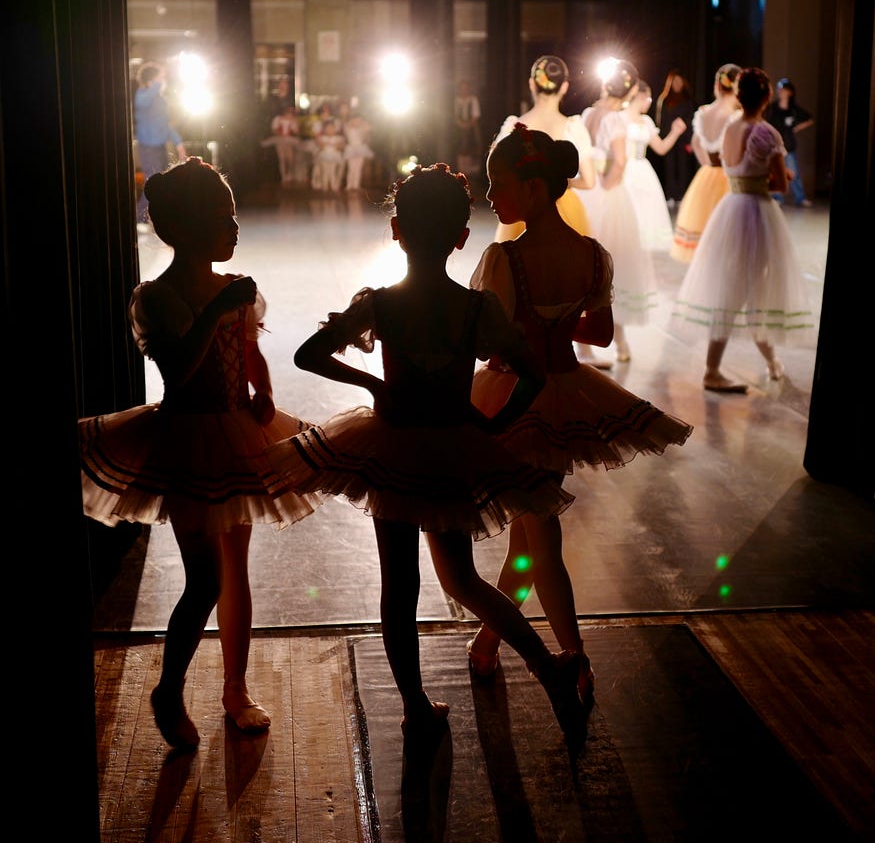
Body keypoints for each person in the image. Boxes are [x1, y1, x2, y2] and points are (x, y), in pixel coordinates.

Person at [268, 164, 585, 736]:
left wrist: (372, 385)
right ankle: (547, 669)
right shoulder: (474, 309)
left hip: (390, 452)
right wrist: (494, 425)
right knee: (463, 579)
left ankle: (415, 704)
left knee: (401, 586)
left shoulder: (382, 305)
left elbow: (307, 354)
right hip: (449, 449)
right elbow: (533, 375)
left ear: (396, 230)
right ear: (462, 238)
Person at [79, 158, 321, 748]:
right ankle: (169, 687)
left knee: (235, 571)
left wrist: (263, 392)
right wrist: (215, 312)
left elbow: (247, 348)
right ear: (184, 228)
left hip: (236, 435)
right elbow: (180, 371)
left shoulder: (234, 291)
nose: (234, 227)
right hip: (186, 440)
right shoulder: (157, 298)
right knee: (205, 578)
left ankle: (235, 687)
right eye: (222, 216)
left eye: (234, 214)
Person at [466, 124, 693, 700]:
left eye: (500, 185)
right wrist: (559, 322)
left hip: (516, 399)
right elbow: (601, 331)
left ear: (535, 189)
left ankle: (574, 658)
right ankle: (489, 643)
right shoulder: (592, 257)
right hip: (567, 395)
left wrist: (525, 328)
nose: (491, 195)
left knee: (540, 538)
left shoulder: (504, 259)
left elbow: (487, 345)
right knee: (529, 538)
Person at [672, 67, 816, 392]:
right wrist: (783, 178)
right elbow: (779, 184)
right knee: (749, 290)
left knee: (739, 287)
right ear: (766, 97)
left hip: (731, 207)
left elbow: (730, 166)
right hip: (756, 211)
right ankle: (716, 369)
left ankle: (768, 361)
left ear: (739, 96)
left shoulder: (731, 129)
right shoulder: (765, 133)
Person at [579, 58, 656, 366]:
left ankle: (603, 342)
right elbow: (621, 161)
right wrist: (608, 186)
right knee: (613, 268)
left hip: (588, 191)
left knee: (593, 268)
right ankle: (612, 343)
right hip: (609, 196)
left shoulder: (589, 113)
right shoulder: (616, 119)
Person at [492, 55, 595, 245]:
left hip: (523, 207)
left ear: (532, 84)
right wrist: (565, 182)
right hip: (564, 209)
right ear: (564, 87)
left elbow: (498, 170)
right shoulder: (573, 127)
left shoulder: (513, 126)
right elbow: (589, 181)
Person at [669, 63, 741, 263]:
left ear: (718, 85)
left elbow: (695, 142)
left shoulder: (704, 112)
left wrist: (707, 165)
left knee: (707, 228)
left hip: (708, 176)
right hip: (729, 177)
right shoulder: (735, 116)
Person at [623, 80, 687, 249]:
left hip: (643, 170)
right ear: (640, 96)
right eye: (649, 99)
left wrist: (675, 132)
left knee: (645, 211)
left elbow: (661, 148)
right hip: (624, 169)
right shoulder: (619, 118)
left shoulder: (646, 121)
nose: (649, 104)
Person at [133, 61, 187, 231]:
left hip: (160, 146)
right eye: (159, 78)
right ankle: (140, 219)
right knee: (152, 182)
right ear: (151, 80)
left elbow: (166, 126)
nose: (163, 82)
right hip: (148, 146)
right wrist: (156, 83)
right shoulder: (142, 95)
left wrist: (179, 144)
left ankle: (155, 219)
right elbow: (142, 103)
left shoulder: (161, 100)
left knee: (162, 182)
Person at [765, 78, 814, 206]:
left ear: (790, 92)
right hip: (775, 146)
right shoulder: (773, 108)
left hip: (789, 146)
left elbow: (809, 119)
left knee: (794, 173)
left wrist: (797, 127)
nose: (781, 91)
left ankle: (800, 198)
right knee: (776, 172)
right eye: (779, 89)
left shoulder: (793, 109)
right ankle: (777, 198)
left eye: (784, 89)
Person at [654, 70, 697, 206]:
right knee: (670, 167)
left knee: (683, 167)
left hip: (683, 139)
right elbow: (661, 121)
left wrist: (689, 139)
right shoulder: (664, 99)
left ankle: (682, 195)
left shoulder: (687, 100)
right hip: (668, 139)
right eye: (675, 81)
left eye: (680, 81)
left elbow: (691, 120)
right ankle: (671, 195)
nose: (677, 84)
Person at [341, 104, 375, 192]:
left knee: (358, 168)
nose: (357, 121)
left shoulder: (362, 128)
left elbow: (369, 128)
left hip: (361, 148)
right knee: (351, 167)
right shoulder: (348, 127)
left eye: (359, 120)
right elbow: (345, 124)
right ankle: (349, 185)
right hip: (351, 148)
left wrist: (362, 124)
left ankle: (356, 185)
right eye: (356, 119)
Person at [454, 79, 483, 178]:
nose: (464, 91)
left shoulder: (472, 99)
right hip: (459, 127)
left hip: (471, 126)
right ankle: (461, 171)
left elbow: (476, 115)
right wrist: (461, 124)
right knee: (460, 146)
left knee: (471, 146)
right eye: (462, 88)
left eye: (466, 88)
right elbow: (455, 115)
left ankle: (471, 172)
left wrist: (468, 125)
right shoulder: (456, 100)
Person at [311, 117, 346, 192]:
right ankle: (324, 186)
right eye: (328, 128)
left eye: (332, 128)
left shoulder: (338, 138)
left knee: (332, 171)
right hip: (324, 156)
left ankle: (334, 185)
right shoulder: (322, 138)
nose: (330, 130)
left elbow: (341, 146)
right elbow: (320, 144)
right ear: (324, 129)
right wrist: (322, 143)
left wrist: (338, 145)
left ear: (335, 129)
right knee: (325, 171)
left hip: (334, 156)